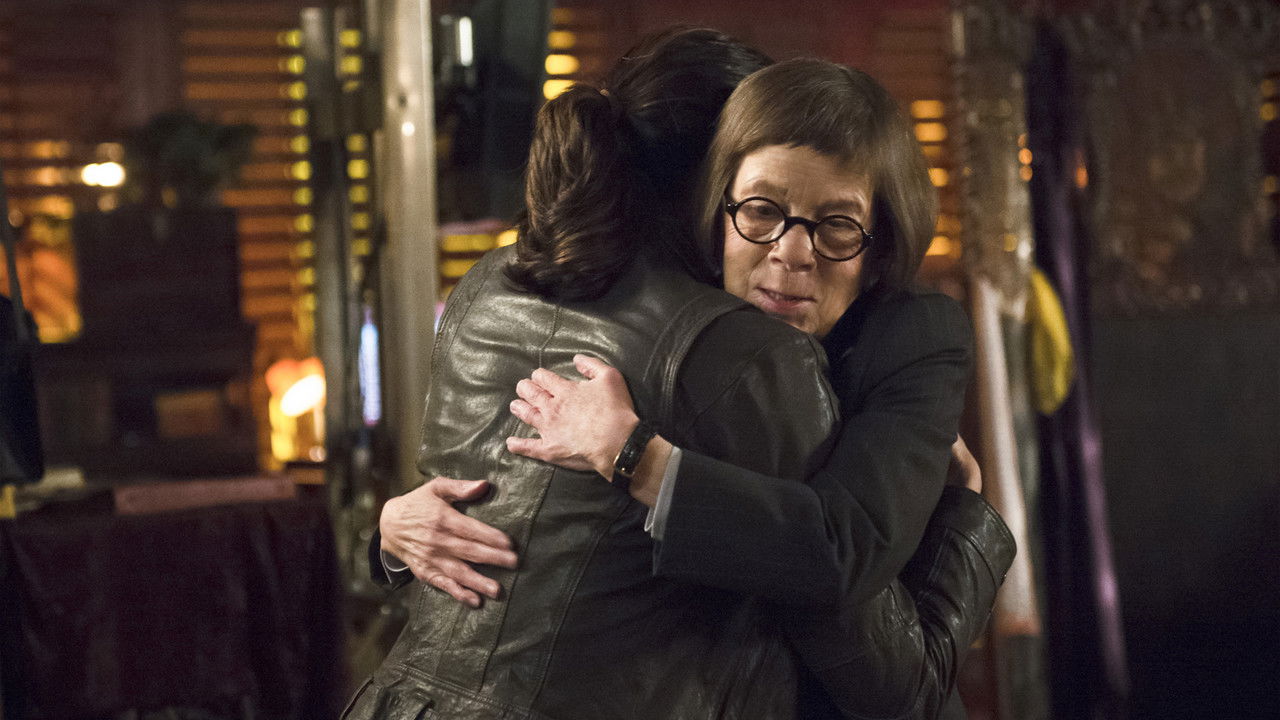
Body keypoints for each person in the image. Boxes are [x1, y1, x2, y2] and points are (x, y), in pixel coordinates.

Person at [357, 32, 1012, 720]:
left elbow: (500, 560)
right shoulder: (741, 359)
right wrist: (965, 521)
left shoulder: (490, 281)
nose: (790, 251)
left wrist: (390, 536)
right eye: (761, 206)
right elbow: (900, 683)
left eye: (835, 223)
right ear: (716, 187)